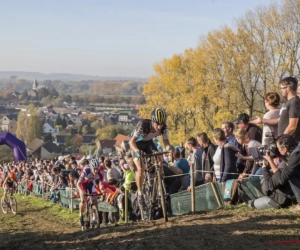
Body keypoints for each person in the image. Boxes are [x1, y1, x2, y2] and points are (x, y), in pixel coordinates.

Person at [129, 107, 171, 207]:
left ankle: (160, 183)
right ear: (152, 121)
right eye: (157, 124)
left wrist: (169, 148)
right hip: (136, 144)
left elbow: (166, 141)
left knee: (160, 158)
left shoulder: (163, 127)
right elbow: (131, 142)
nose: (159, 127)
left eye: (161, 124)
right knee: (141, 168)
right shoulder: (143, 125)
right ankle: (139, 192)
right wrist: (137, 151)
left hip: (148, 143)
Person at [249, 134, 300, 209]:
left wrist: (269, 163)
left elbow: (280, 179)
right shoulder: (297, 150)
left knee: (290, 175)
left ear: (285, 149)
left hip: (280, 198)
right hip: (284, 196)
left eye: (278, 148)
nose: (278, 150)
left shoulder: (296, 155)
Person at [77, 159, 99, 227]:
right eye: (94, 169)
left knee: (95, 200)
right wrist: (81, 191)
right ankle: (81, 214)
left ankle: (94, 218)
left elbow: (99, 183)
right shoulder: (86, 171)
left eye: (97, 169)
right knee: (83, 201)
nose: (96, 171)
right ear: (91, 168)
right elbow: (78, 183)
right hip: (83, 185)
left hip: (91, 184)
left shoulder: (98, 172)